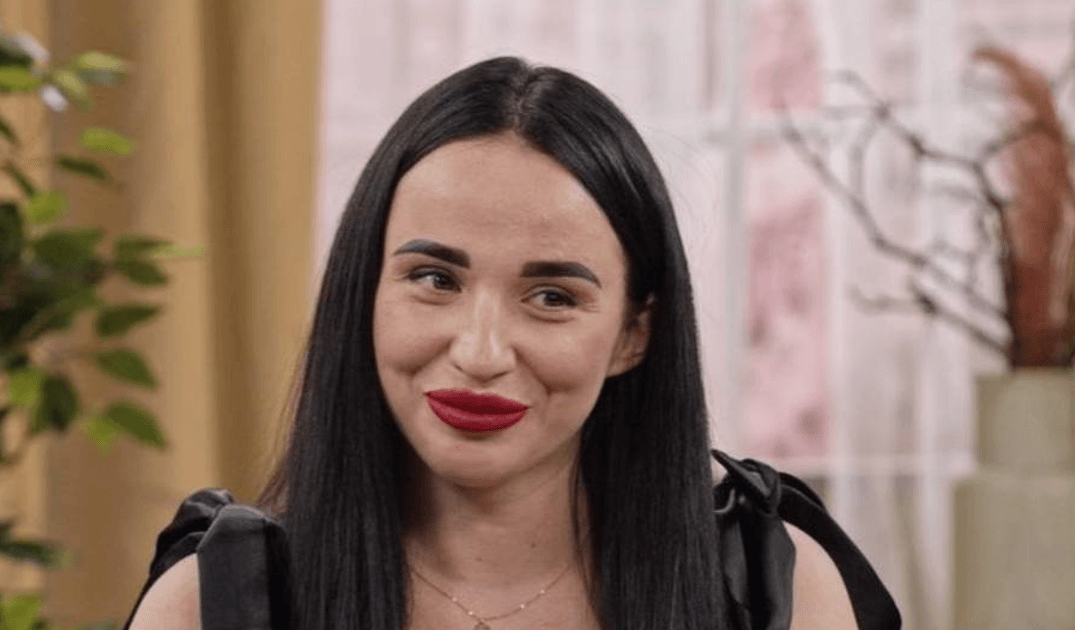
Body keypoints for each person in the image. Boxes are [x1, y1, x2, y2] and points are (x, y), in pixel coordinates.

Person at [125, 57, 900, 630]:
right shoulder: (215, 603)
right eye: (434, 279)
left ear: (633, 334)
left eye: (553, 296)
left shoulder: (769, 589)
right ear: (363, 295)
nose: (482, 352)